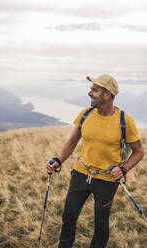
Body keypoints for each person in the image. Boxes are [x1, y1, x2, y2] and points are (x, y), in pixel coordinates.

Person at [46, 74, 144, 248]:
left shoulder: (125, 121)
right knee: (68, 216)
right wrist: (58, 161)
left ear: (106, 94)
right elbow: (72, 141)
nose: (89, 93)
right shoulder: (85, 114)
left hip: (107, 180)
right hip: (80, 173)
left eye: (94, 90)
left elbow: (138, 152)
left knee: (100, 225)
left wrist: (124, 169)